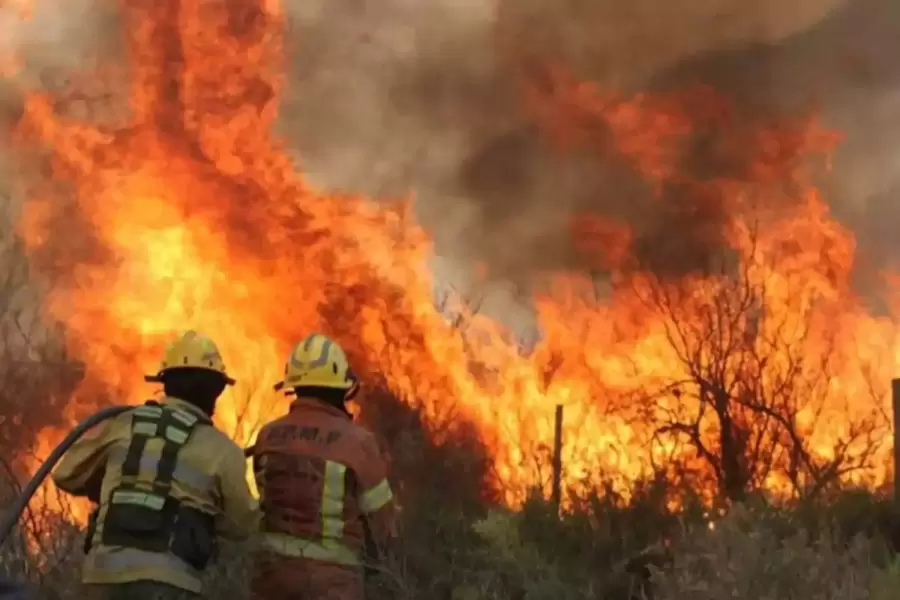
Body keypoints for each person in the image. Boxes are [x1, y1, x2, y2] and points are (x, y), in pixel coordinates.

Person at [52, 330, 260, 600]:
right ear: (215, 391)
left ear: (165, 383)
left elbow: (65, 474)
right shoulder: (223, 451)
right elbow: (242, 526)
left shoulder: (124, 423)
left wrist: (113, 486)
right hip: (170, 582)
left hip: (103, 576)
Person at [250, 333, 396, 600]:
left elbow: (261, 499)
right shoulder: (358, 442)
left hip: (271, 577)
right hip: (333, 583)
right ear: (342, 389)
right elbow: (382, 522)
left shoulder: (268, 435)